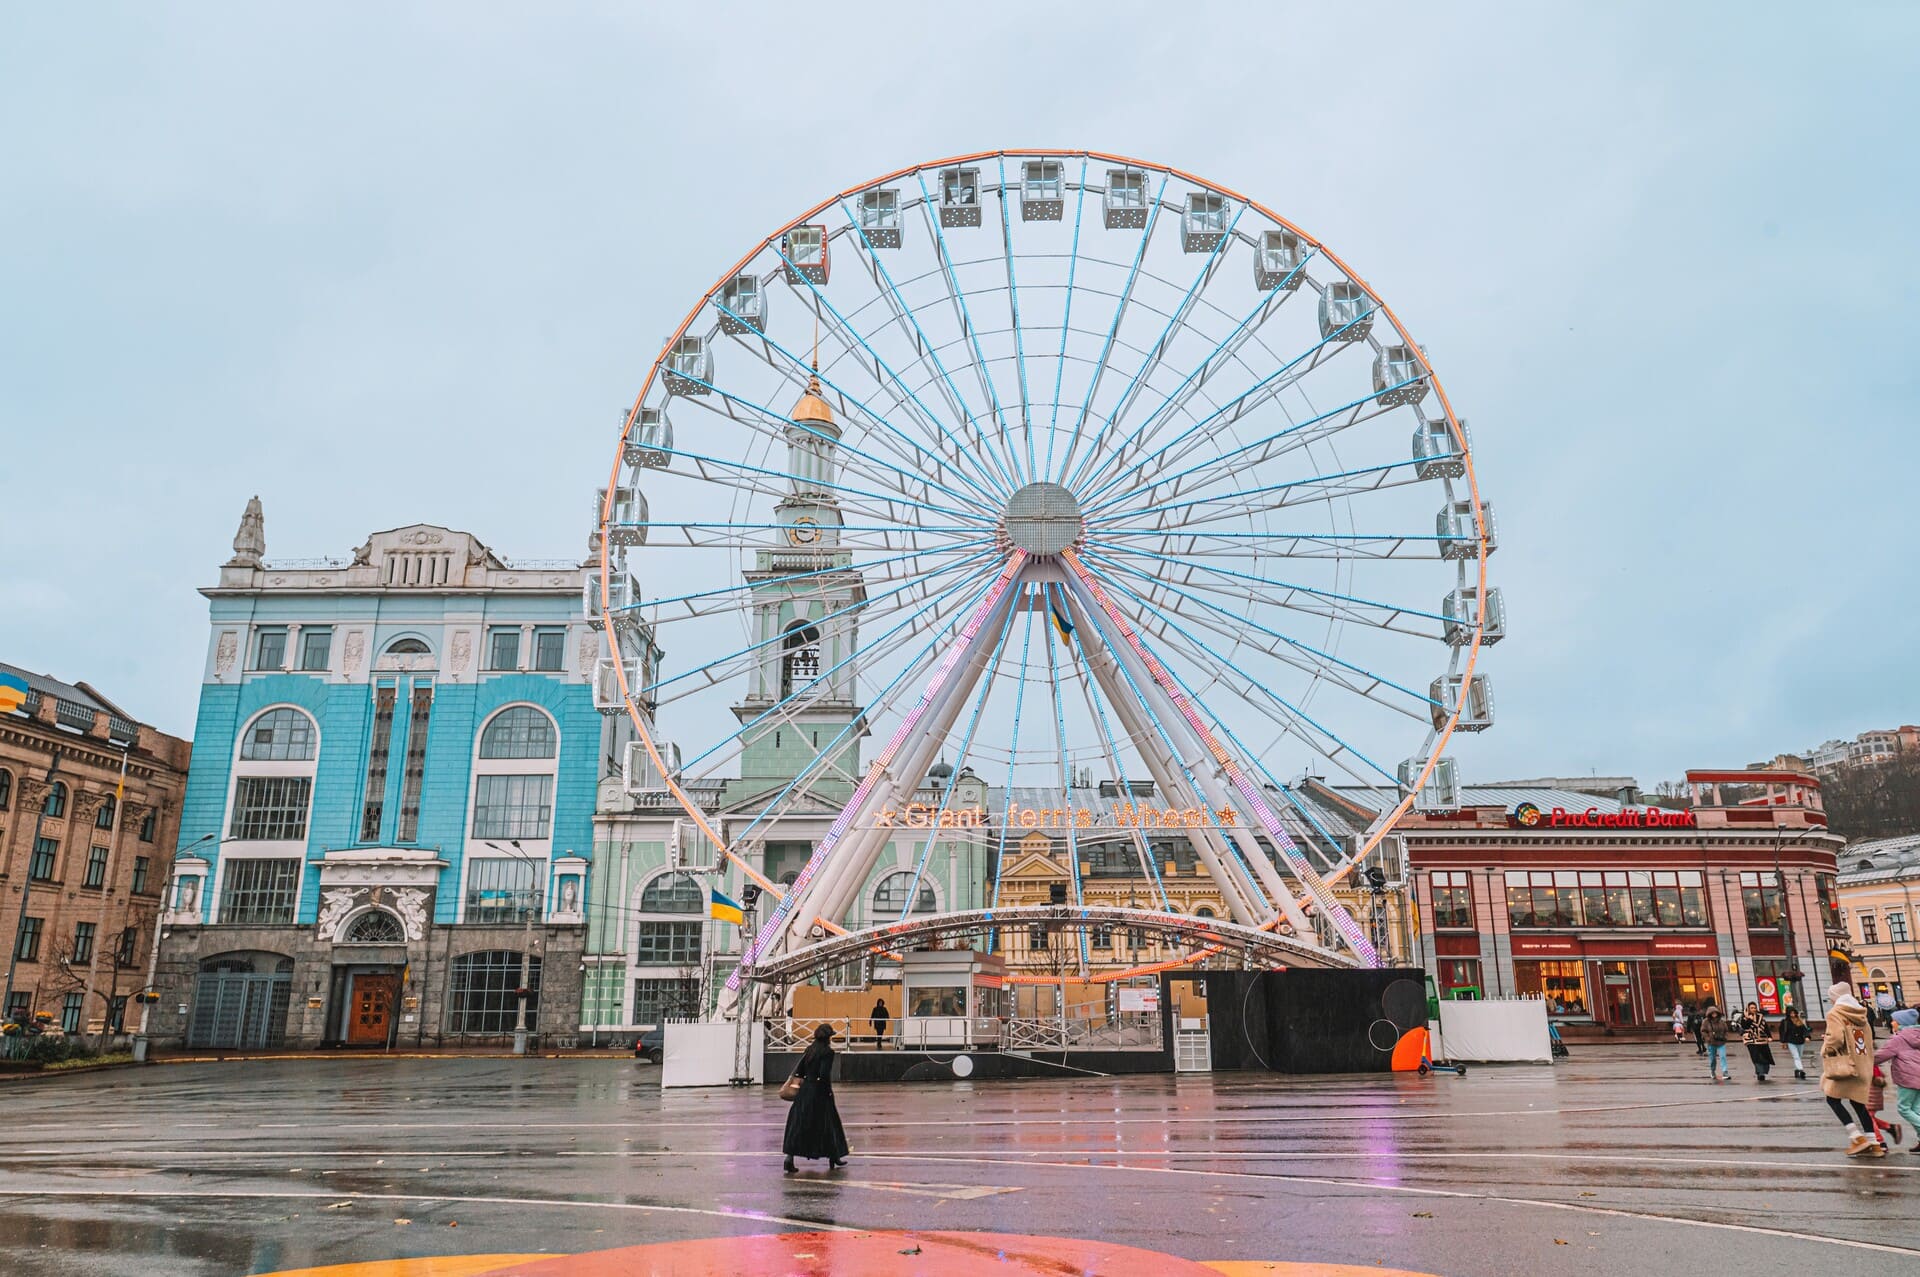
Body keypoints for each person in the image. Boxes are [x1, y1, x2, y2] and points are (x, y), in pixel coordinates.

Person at [1821, 981, 1882, 1157]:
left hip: (1845, 1066)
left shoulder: (1835, 1014)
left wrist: (1825, 1048)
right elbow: (1868, 1039)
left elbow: (1836, 1039)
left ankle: (1857, 1137)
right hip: (1863, 1064)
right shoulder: (1861, 1013)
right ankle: (1874, 1143)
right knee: (1858, 1103)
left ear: (1836, 997)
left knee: (1832, 1099)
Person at [782, 1024, 850, 1174]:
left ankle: (789, 1157)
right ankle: (834, 1156)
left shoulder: (809, 1050)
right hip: (819, 1093)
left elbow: (800, 1071)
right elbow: (824, 1075)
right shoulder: (828, 1053)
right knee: (829, 1125)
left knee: (798, 1125)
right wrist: (829, 1093)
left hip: (805, 1091)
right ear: (828, 1038)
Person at [1873, 1007, 1920, 1153]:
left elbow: (1881, 1056)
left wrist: (1862, 1063)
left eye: (1895, 1020)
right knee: (1916, 1109)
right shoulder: (1917, 1034)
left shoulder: (1899, 1038)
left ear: (1901, 1022)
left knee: (1904, 1108)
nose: (1892, 1022)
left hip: (1908, 1076)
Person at [1741, 1002, 1775, 1082]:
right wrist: (1750, 1019)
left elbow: (1765, 1027)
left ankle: (1764, 1070)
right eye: (1751, 1008)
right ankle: (1760, 1073)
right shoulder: (1745, 1017)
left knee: (1765, 1056)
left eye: (1754, 1008)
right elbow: (1744, 1026)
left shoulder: (1760, 1017)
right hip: (1751, 1040)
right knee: (1756, 1057)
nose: (1753, 1009)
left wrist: (1769, 1036)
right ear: (1748, 1009)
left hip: (1762, 1039)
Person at [1780, 1007, 1812, 1080]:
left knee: (1799, 1056)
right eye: (1791, 1013)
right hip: (1791, 1041)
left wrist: (1807, 1037)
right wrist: (1783, 1042)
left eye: (1794, 1013)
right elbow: (1783, 1032)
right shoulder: (1785, 1022)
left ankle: (1797, 1070)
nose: (1793, 1014)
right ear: (1788, 1014)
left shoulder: (1799, 1021)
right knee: (1796, 1056)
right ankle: (1801, 1070)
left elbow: (1804, 1030)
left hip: (1800, 1041)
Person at [1702, 1003, 1731, 1082]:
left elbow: (1726, 1030)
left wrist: (1725, 1037)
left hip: (1721, 1042)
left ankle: (1725, 1072)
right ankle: (1712, 1071)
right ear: (1709, 1014)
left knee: (1723, 1057)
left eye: (1715, 1013)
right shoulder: (1706, 1022)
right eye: (1712, 1013)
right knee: (1712, 1059)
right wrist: (1708, 1039)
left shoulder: (1721, 1022)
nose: (1714, 1014)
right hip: (1711, 1043)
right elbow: (1703, 1031)